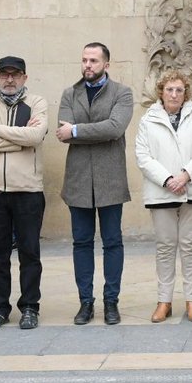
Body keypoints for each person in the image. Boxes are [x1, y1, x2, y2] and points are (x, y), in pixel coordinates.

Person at [56, 42, 134, 326]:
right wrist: (77, 132)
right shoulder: (70, 93)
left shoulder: (122, 93)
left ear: (106, 64)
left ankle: (111, 301)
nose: (88, 65)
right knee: (81, 243)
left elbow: (115, 128)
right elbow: (61, 133)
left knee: (113, 242)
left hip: (110, 178)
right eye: (84, 60)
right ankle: (85, 302)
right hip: (78, 180)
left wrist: (76, 130)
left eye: (94, 60)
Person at [0, 56, 49, 331]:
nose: (9, 80)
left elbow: (36, 136)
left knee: (30, 253)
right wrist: (19, 141)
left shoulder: (37, 103)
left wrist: (0, 131)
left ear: (24, 78)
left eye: (15, 75)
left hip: (28, 189)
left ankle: (29, 307)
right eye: (4, 74)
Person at [136, 69, 192, 323]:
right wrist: (168, 179)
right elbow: (143, 156)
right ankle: (164, 301)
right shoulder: (148, 119)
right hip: (162, 191)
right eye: (169, 89)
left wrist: (185, 175)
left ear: (185, 93)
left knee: (190, 246)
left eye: (179, 90)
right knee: (165, 247)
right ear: (161, 92)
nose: (174, 94)